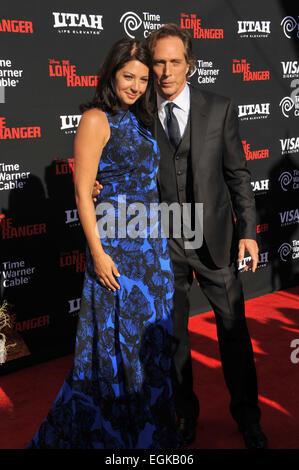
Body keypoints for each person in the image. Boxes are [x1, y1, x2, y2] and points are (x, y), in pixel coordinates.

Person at [93, 24, 268, 449]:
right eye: (158, 62)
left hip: (215, 242)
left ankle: (248, 418)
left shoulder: (220, 108)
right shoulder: (138, 109)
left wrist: (249, 232)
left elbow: (238, 175)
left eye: (175, 62)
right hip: (161, 242)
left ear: (190, 63)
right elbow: (111, 154)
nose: (166, 71)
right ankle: (183, 415)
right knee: (173, 340)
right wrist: (98, 183)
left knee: (233, 332)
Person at [26, 38, 179, 449]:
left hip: (153, 251)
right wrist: (97, 254)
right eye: (128, 76)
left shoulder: (142, 121)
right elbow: (81, 193)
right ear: (111, 74)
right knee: (116, 350)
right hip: (117, 251)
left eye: (143, 80)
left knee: (152, 347)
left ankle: (151, 437)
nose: (135, 85)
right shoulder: (96, 119)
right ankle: (117, 439)